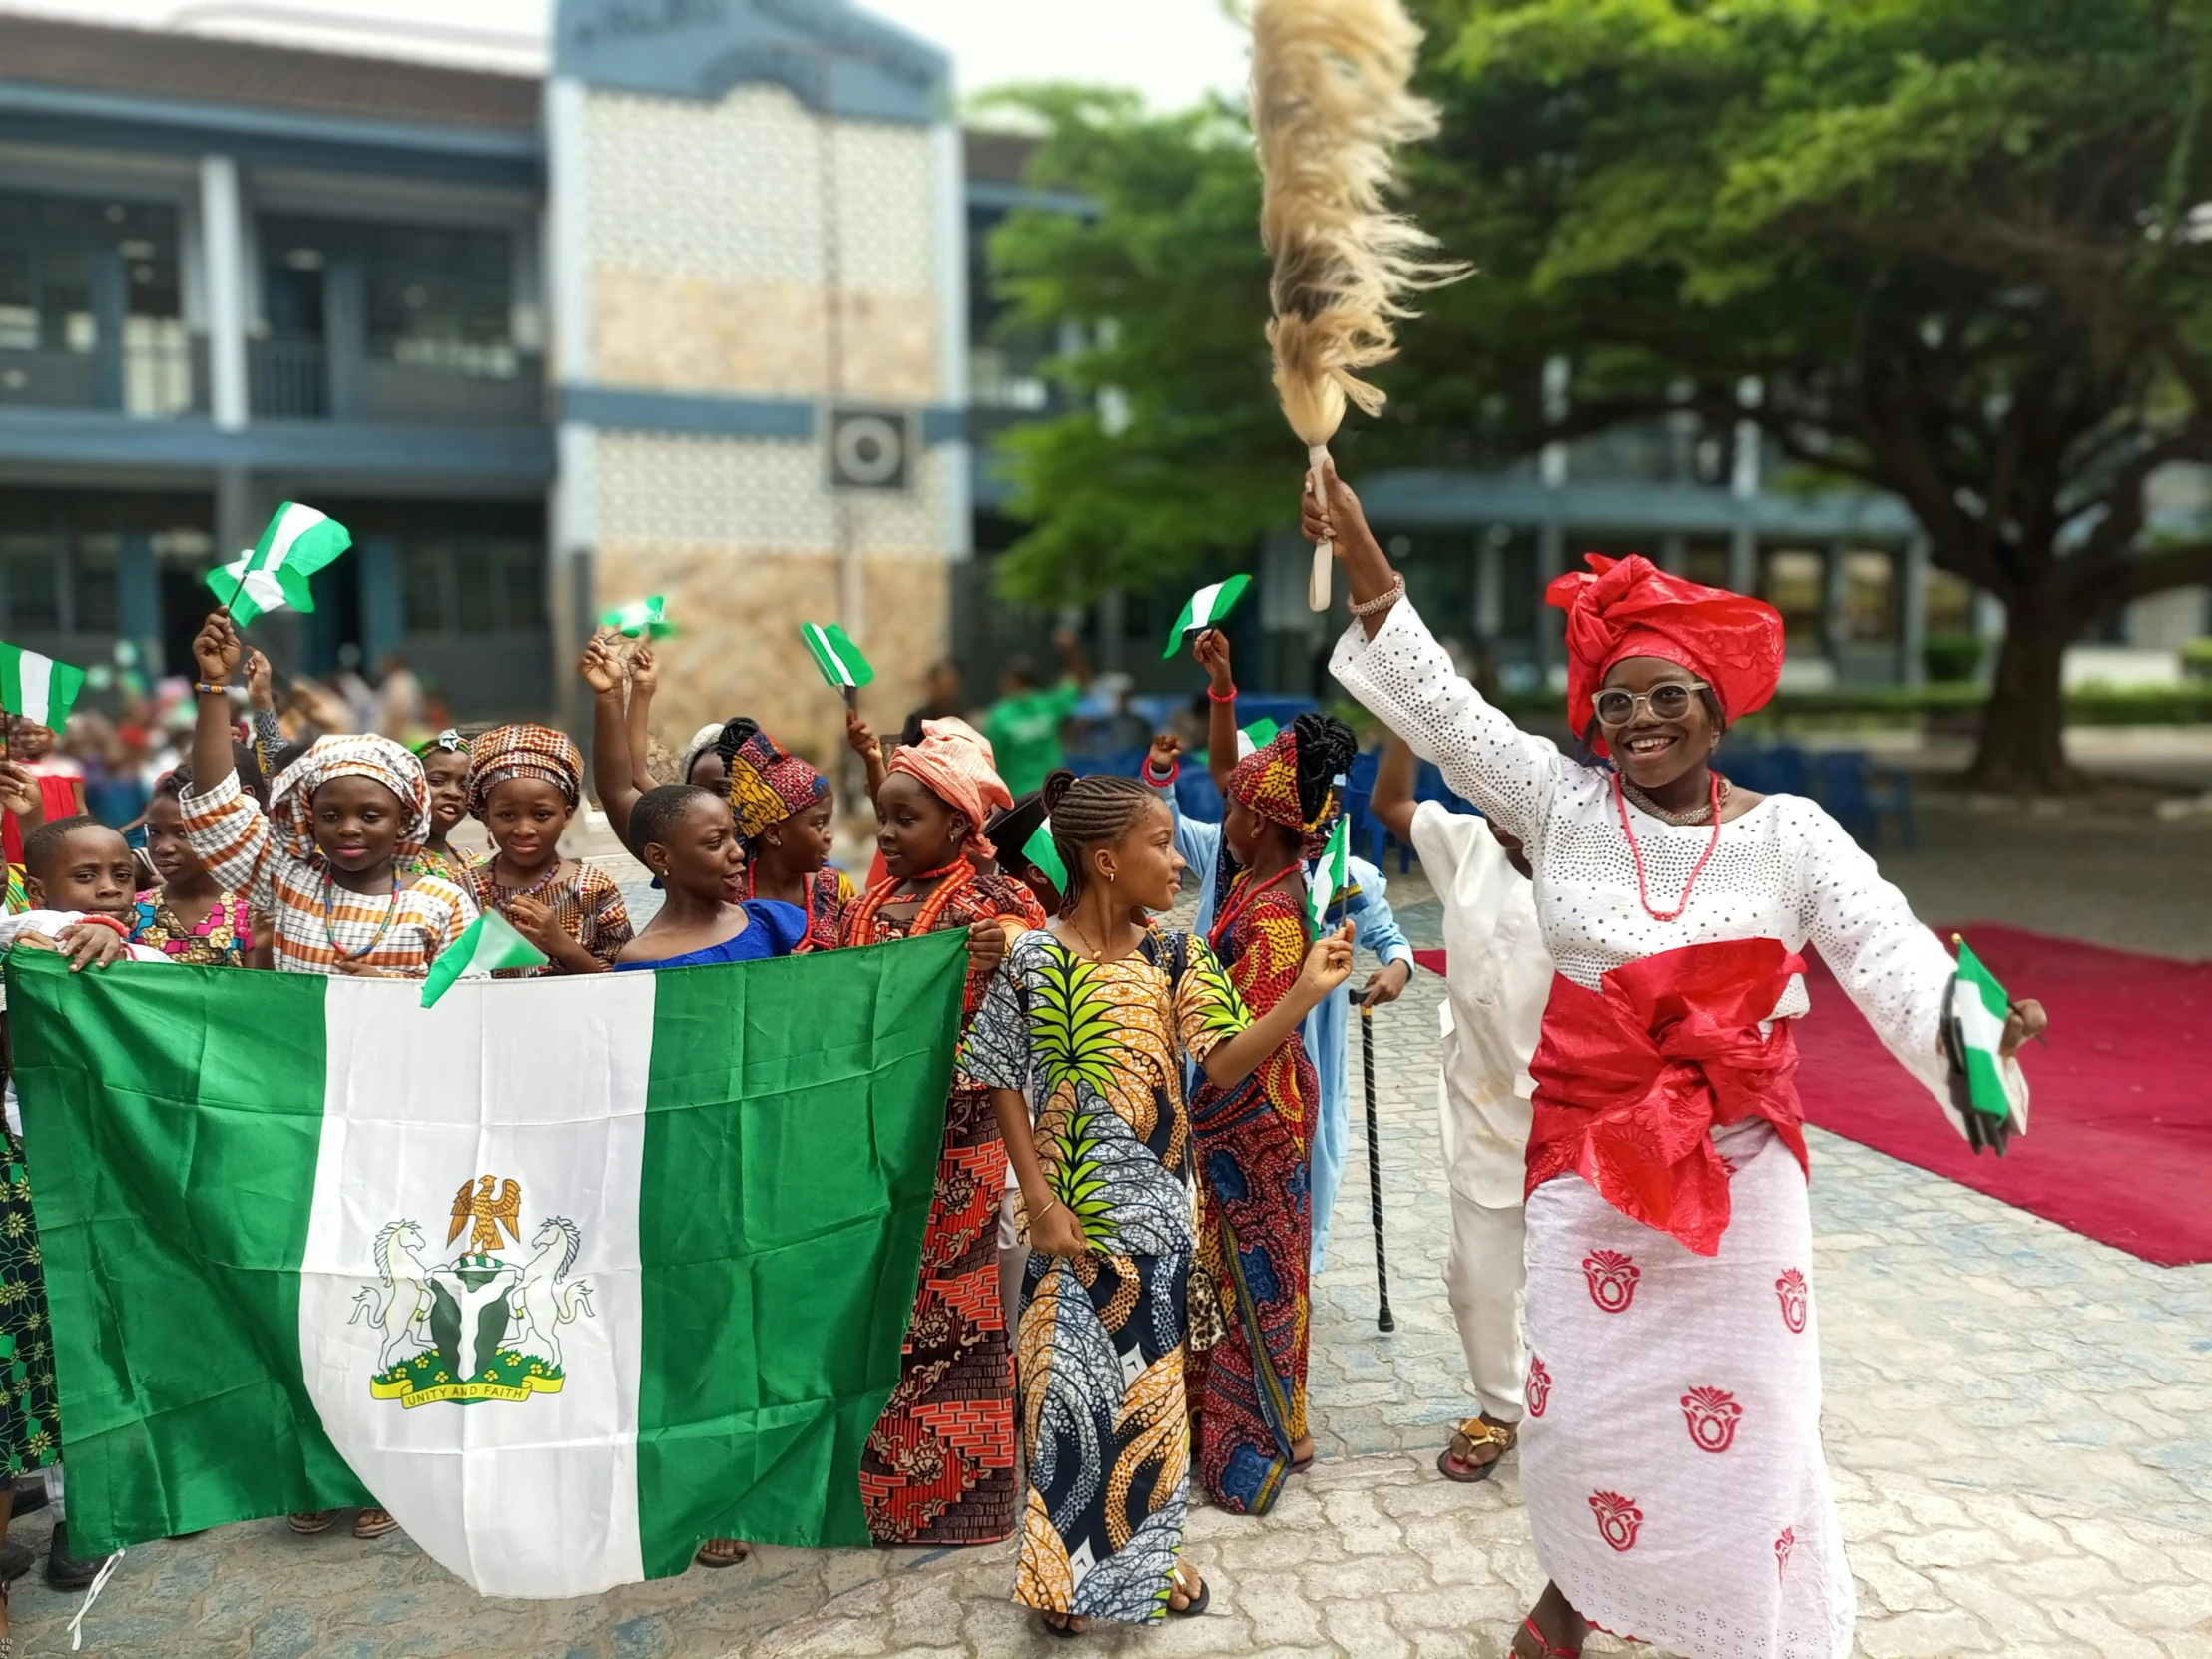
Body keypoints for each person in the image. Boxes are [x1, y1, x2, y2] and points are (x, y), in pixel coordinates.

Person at [1311, 464, 2047, 1659]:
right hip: (1584, 1162)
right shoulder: (1556, 807)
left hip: (1739, 1166)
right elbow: (1442, 710)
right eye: (1613, 705)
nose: (1638, 722)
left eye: (1664, 698)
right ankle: (1582, 1590)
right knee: (1582, 1418)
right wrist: (1359, 551)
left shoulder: (1791, 835)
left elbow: (1885, 951)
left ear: (1715, 704)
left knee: (1751, 1418)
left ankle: (1727, 1619)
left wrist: (1974, 1033)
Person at [962, 771, 1354, 1634]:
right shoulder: (1033, 957)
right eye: (1161, 844)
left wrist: (1303, 994)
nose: (1180, 861)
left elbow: (1219, 1063)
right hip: (1060, 1228)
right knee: (1064, 1399)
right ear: (1105, 861)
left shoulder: (1177, 956)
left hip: (1154, 1229)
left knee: (1147, 1404)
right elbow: (997, 1078)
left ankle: (1149, 1560)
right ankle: (1065, 1575)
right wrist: (1037, 1195)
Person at [1142, 629, 1414, 1274]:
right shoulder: (1231, 857)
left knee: (1306, 1159)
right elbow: (1224, 783)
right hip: (1226, 1049)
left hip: (1287, 1046)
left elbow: (1389, 938)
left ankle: (1294, 1266)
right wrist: (1220, 690)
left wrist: (1396, 969)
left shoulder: (1331, 881)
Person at [842, 722, 1045, 1546]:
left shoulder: (989, 905)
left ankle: (965, 1500)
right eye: (881, 816)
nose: (887, 833)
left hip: (960, 1145)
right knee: (887, 1311)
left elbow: (1051, 958)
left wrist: (1015, 944)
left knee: (955, 1315)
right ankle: (885, 1488)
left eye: (905, 820)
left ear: (962, 827)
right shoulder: (869, 899)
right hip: (876, 1142)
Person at [1183, 710, 1358, 1516]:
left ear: (1256, 820)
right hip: (1245, 1117)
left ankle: (1252, 1448)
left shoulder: (1275, 915)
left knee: (1262, 1282)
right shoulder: (1252, 883)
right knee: (1252, 1278)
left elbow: (1245, 1045)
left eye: (1233, 809)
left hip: (1255, 1121)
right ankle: (1281, 1422)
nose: (1224, 821)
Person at [1, 814, 174, 1604]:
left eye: (120, 876)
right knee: (57, 1339)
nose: (108, 891)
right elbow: (34, 935)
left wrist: (116, 937)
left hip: (107, 1174)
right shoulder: (32, 938)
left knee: (96, 1330)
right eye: (85, 877)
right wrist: (84, 929)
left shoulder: (136, 950)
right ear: (39, 889)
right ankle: (73, 1508)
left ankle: (90, 1495)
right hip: (35, 1173)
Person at [1370, 734, 1551, 1484]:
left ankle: (1581, 1410)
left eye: (1522, 805)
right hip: (1481, 1097)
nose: (1503, 818)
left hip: (1581, 1110)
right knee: (1476, 1273)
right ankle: (1501, 1407)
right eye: (1495, 799)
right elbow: (1388, 805)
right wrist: (1399, 727)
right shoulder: (1470, 842)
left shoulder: (1605, 874)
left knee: (1580, 1276)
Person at [180, 613, 474, 989]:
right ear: (310, 818)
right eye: (331, 814)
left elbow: (471, 1005)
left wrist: (393, 989)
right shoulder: (289, 879)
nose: (349, 828)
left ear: (404, 820)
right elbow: (215, 805)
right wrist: (213, 684)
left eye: (371, 815)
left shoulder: (444, 904)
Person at [465, 724, 632, 975]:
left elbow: (625, 984)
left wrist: (562, 945)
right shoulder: (462, 892)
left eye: (541, 814)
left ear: (566, 816)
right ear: (486, 816)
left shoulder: (593, 889)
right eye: (507, 814)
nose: (524, 829)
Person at [612, 785, 807, 972]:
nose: (738, 853)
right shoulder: (643, 960)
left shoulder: (772, 921)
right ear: (659, 858)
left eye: (735, 836)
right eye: (715, 843)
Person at [716, 718, 851, 952]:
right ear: (774, 833)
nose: (829, 836)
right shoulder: (726, 897)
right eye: (819, 824)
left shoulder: (834, 887)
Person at [581, 639, 726, 848]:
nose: (707, 802)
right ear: (660, 859)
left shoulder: (762, 860)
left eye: (723, 789)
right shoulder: (683, 853)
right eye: (694, 791)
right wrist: (628, 690)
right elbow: (631, 780)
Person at [131, 768, 256, 966]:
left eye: (183, 833)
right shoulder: (132, 912)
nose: (163, 848)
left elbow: (259, 987)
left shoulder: (250, 915)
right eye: (154, 832)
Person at [980, 627, 1087, 798]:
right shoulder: (1050, 704)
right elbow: (1079, 681)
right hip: (1055, 794)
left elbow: (989, 764)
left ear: (1009, 680)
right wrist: (1072, 651)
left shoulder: (999, 717)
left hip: (1019, 801)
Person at [1, 716, 85, 866]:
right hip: (17, 831)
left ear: (52, 735)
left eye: (39, 733)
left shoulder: (68, 768)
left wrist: (84, 833)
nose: (31, 738)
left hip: (61, 831)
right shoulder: (11, 768)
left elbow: (80, 807)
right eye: (25, 733)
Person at [408, 731, 479, 889]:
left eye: (464, 786)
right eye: (437, 781)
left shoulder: (475, 866)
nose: (453, 792)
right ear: (408, 784)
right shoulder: (391, 864)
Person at [899, 657, 965, 747]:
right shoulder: (917, 719)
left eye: (950, 687)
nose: (946, 693)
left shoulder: (962, 720)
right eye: (942, 687)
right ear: (933, 686)